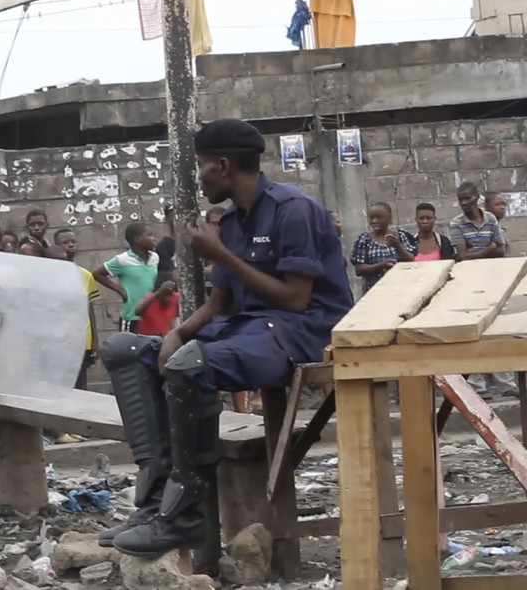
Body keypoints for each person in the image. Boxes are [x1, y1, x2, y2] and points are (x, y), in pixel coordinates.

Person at [100, 118, 352, 558]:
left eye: (200, 167)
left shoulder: (293, 209)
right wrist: (177, 333)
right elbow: (219, 305)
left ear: (223, 165)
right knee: (129, 351)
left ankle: (185, 515)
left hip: (303, 329)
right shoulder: (233, 220)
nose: (198, 178)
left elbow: (295, 299)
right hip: (252, 327)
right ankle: (157, 501)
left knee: (189, 364)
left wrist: (222, 256)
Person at [50, 233, 101, 391]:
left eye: (73, 241)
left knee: (81, 382)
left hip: (81, 339)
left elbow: (90, 308)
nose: (71, 245)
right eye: (65, 242)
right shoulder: (48, 276)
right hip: (58, 340)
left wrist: (95, 340)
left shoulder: (85, 275)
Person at [92, 223, 159, 333]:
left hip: (151, 315)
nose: (154, 239)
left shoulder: (155, 258)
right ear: (137, 239)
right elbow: (97, 274)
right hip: (132, 316)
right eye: (150, 235)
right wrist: (120, 290)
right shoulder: (122, 260)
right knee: (129, 347)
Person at [350, 202, 416, 294]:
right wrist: (381, 265)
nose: (374, 221)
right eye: (372, 218)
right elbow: (359, 270)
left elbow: (411, 260)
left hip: (401, 290)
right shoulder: (364, 239)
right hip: (374, 292)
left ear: (389, 218)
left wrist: (397, 245)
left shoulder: (400, 235)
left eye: (378, 217)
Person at [450, 182, 505, 261]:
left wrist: (473, 254)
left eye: (467, 198)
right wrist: (490, 248)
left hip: (492, 269)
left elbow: (501, 251)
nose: (464, 203)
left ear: (477, 197)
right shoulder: (456, 223)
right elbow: (463, 256)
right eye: (460, 199)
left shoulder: (490, 218)